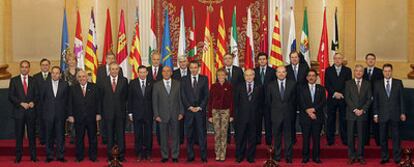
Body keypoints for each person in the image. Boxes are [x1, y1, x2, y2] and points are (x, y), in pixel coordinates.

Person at [373, 64, 406, 164]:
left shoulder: (398, 82)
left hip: (395, 114)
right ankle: (385, 157)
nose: (387, 73)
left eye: (389, 71)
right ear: (383, 72)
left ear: (392, 71)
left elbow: (402, 99)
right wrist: (375, 114)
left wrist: (403, 112)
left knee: (396, 138)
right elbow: (375, 101)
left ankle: (397, 157)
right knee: (383, 138)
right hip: (382, 115)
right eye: (385, 71)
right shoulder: (377, 84)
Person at [68, 70, 101, 162]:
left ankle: (93, 157)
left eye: (83, 76)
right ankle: (79, 157)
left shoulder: (94, 87)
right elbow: (70, 103)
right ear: (77, 78)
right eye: (80, 77)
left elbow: (98, 101)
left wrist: (98, 113)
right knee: (79, 138)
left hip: (91, 117)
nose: (82, 78)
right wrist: (70, 115)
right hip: (78, 117)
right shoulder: (72, 88)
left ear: (87, 77)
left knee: (93, 138)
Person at [9, 60, 38, 163]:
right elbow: (11, 96)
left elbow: (37, 95)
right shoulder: (14, 80)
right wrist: (21, 103)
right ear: (20, 68)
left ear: (29, 68)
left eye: (26, 67)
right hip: (19, 112)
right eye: (23, 67)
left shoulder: (33, 80)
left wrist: (33, 102)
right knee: (19, 136)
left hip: (31, 112)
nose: (24, 69)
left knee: (32, 136)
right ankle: (18, 156)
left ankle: (33, 156)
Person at [152, 66, 183, 163]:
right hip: (162, 115)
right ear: (161, 73)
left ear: (171, 73)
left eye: (168, 71)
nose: (166, 73)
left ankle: (175, 155)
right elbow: (154, 101)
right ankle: (164, 155)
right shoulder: (157, 85)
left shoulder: (178, 84)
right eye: (164, 71)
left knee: (175, 136)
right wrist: (156, 114)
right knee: (163, 137)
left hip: (175, 114)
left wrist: (181, 112)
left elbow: (181, 100)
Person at [266, 66, 297, 163]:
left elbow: (294, 100)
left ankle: (288, 156)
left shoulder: (292, 84)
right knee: (277, 137)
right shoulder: (270, 85)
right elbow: (268, 101)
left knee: (288, 137)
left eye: (283, 72)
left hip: (288, 114)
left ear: (286, 73)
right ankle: (277, 156)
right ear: (276, 74)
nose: (281, 74)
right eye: (279, 72)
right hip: (276, 115)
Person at [181, 61, 209, 163]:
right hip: (189, 112)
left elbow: (206, 95)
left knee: (202, 135)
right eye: (191, 67)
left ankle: (203, 156)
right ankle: (190, 156)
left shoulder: (204, 79)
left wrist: (200, 107)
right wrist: (189, 107)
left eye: (195, 67)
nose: (193, 69)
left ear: (198, 68)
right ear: (189, 68)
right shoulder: (184, 80)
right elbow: (183, 95)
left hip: (200, 112)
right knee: (189, 135)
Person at [344, 65, 372, 165]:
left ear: (363, 73)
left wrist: (363, 110)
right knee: (350, 136)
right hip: (351, 113)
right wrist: (355, 109)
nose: (359, 73)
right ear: (354, 72)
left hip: (362, 114)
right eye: (357, 71)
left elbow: (369, 99)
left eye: (361, 71)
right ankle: (351, 156)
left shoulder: (367, 84)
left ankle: (360, 156)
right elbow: (347, 98)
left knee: (361, 136)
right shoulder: (348, 83)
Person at [41, 66, 69, 162]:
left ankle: (60, 155)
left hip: (60, 115)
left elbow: (67, 101)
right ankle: (49, 156)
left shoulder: (65, 84)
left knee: (60, 136)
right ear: (51, 73)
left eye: (57, 73)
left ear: (60, 74)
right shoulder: (44, 84)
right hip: (48, 115)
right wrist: (44, 114)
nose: (55, 75)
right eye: (53, 73)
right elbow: (42, 100)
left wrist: (67, 114)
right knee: (49, 136)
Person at [101, 63, 128, 162]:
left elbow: (125, 97)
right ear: (110, 70)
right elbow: (101, 98)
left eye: (116, 69)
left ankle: (121, 155)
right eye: (112, 69)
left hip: (120, 113)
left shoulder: (124, 81)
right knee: (109, 135)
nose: (114, 71)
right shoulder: (103, 81)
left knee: (120, 135)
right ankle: (110, 156)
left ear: (119, 70)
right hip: (107, 113)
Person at [234, 69, 262, 163]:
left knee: (252, 138)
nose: (249, 77)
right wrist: (236, 117)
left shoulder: (259, 87)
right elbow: (236, 103)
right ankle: (239, 156)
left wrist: (259, 116)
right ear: (244, 76)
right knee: (240, 138)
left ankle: (250, 157)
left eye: (251, 75)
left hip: (254, 118)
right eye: (246, 75)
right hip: (241, 118)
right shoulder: (239, 87)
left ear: (254, 76)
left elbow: (261, 103)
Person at [96, 52, 124, 145]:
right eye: (109, 58)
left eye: (113, 58)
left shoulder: (119, 69)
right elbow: (98, 86)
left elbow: (122, 87)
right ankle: (104, 137)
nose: (111, 60)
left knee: (116, 124)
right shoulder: (100, 69)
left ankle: (115, 138)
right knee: (105, 122)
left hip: (117, 104)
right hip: (105, 100)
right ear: (106, 59)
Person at [324, 53, 352, 146]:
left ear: (342, 59)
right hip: (332, 98)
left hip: (343, 99)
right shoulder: (328, 70)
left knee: (343, 119)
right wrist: (334, 93)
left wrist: (341, 94)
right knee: (330, 119)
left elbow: (348, 84)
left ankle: (344, 139)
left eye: (339, 58)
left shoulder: (347, 70)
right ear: (333, 59)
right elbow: (327, 84)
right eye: (335, 58)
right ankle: (330, 139)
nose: (337, 60)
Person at [299, 69, 325, 164]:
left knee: (316, 138)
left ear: (316, 77)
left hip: (317, 117)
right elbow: (300, 101)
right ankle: (305, 157)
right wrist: (308, 111)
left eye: (313, 75)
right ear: (306, 78)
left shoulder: (321, 88)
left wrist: (314, 110)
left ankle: (316, 157)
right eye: (309, 75)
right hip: (305, 117)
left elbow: (323, 102)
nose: (311, 77)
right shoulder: (301, 88)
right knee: (305, 138)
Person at [128, 66, 153, 162]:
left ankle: (148, 153)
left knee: (148, 134)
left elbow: (153, 99)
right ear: (138, 73)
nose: (142, 74)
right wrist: (130, 112)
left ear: (147, 73)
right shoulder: (133, 83)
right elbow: (129, 99)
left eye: (144, 72)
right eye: (140, 72)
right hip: (136, 113)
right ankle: (138, 153)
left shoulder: (152, 83)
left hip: (148, 113)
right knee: (138, 134)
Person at [208, 68, 233, 162]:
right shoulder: (214, 86)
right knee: (217, 133)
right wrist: (210, 115)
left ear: (226, 76)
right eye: (219, 75)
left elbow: (231, 101)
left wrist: (231, 115)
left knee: (224, 133)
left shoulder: (229, 86)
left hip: (225, 112)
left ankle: (223, 154)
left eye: (223, 75)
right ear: (217, 76)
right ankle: (217, 153)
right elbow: (210, 101)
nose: (221, 77)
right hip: (215, 112)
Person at [286, 51, 310, 144]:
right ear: (290, 58)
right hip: (291, 97)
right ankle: (292, 138)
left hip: (303, 97)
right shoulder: (286, 69)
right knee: (291, 118)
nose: (294, 59)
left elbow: (308, 80)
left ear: (299, 58)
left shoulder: (305, 67)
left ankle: (306, 138)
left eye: (296, 57)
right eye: (292, 57)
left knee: (304, 118)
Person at [172, 56, 196, 145]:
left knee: (192, 123)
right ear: (178, 63)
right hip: (178, 102)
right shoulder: (174, 73)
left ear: (187, 62)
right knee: (179, 123)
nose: (182, 63)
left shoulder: (192, 72)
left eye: (184, 61)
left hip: (190, 102)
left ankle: (193, 140)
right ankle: (180, 140)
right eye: (180, 61)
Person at [254, 52, 275, 145]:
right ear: (258, 61)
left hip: (269, 101)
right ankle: (257, 140)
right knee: (257, 122)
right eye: (260, 59)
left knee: (268, 122)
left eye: (264, 59)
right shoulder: (254, 71)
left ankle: (268, 140)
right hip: (257, 102)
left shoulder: (273, 71)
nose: (262, 61)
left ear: (267, 60)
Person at [363, 53, 383, 146]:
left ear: (375, 61)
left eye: (372, 59)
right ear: (366, 61)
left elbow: (381, 87)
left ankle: (378, 141)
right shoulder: (362, 71)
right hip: (365, 102)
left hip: (376, 101)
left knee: (376, 122)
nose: (370, 60)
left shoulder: (380, 72)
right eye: (369, 59)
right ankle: (366, 141)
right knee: (365, 122)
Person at [223, 53, 244, 144]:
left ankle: (237, 138)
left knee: (237, 122)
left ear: (232, 59)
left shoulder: (238, 70)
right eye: (226, 58)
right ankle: (227, 139)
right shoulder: (220, 71)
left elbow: (242, 85)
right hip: (224, 101)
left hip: (237, 101)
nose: (228, 60)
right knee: (225, 122)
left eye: (229, 58)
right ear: (223, 60)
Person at [62, 54, 81, 144]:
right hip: (67, 97)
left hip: (79, 97)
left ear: (76, 61)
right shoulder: (64, 73)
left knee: (78, 115)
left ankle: (78, 134)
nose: (71, 62)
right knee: (70, 115)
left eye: (73, 60)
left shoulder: (80, 71)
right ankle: (71, 134)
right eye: (69, 60)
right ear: (67, 62)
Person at [33, 58, 51, 145]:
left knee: (51, 122)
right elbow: (34, 91)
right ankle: (42, 139)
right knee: (40, 122)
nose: (45, 66)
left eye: (46, 65)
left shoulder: (53, 75)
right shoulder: (35, 77)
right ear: (40, 66)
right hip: (39, 104)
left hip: (51, 105)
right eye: (43, 65)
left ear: (49, 66)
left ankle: (52, 139)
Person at [147, 51, 164, 145]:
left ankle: (160, 142)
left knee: (160, 124)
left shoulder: (164, 70)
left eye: (158, 59)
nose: (156, 61)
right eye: (154, 59)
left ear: (160, 60)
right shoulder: (146, 70)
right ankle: (148, 143)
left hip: (160, 102)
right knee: (148, 124)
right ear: (151, 60)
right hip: (148, 102)